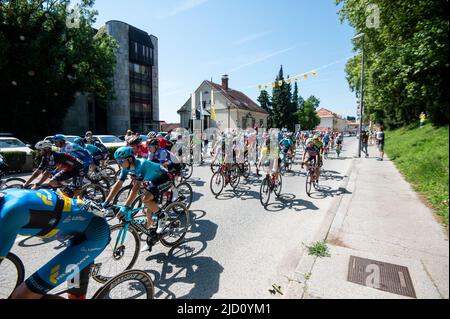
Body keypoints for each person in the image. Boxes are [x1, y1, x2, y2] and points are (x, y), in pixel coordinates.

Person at [0, 189, 110, 299]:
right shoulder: (7, 194)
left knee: (21, 296)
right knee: (75, 296)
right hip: (78, 234)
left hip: (92, 237)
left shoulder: (11, 212)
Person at [102, 147, 172, 252]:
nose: (119, 163)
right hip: (153, 181)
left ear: (129, 159)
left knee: (145, 198)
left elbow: (135, 188)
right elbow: (118, 184)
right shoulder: (125, 167)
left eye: (121, 161)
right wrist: (107, 201)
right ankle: (152, 238)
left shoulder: (141, 164)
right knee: (149, 213)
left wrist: (126, 207)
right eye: (117, 161)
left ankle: (162, 216)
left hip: (165, 178)